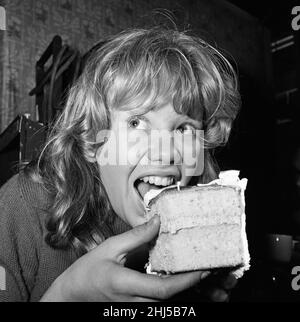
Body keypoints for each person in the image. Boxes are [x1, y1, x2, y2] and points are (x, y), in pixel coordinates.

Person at [0, 26, 240, 302]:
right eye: (137, 122)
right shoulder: (23, 206)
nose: (165, 154)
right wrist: (66, 296)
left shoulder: (193, 232)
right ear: (93, 140)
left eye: (184, 128)